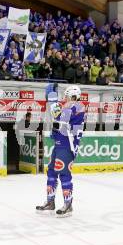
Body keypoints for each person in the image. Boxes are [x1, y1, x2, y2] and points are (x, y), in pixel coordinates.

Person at [36, 85, 85, 217]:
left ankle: (68, 204)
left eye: (67, 96)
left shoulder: (78, 106)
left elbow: (59, 117)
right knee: (51, 171)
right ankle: (50, 202)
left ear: (74, 96)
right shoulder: (69, 106)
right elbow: (58, 120)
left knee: (63, 172)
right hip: (59, 144)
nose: (64, 98)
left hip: (67, 145)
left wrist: (52, 100)